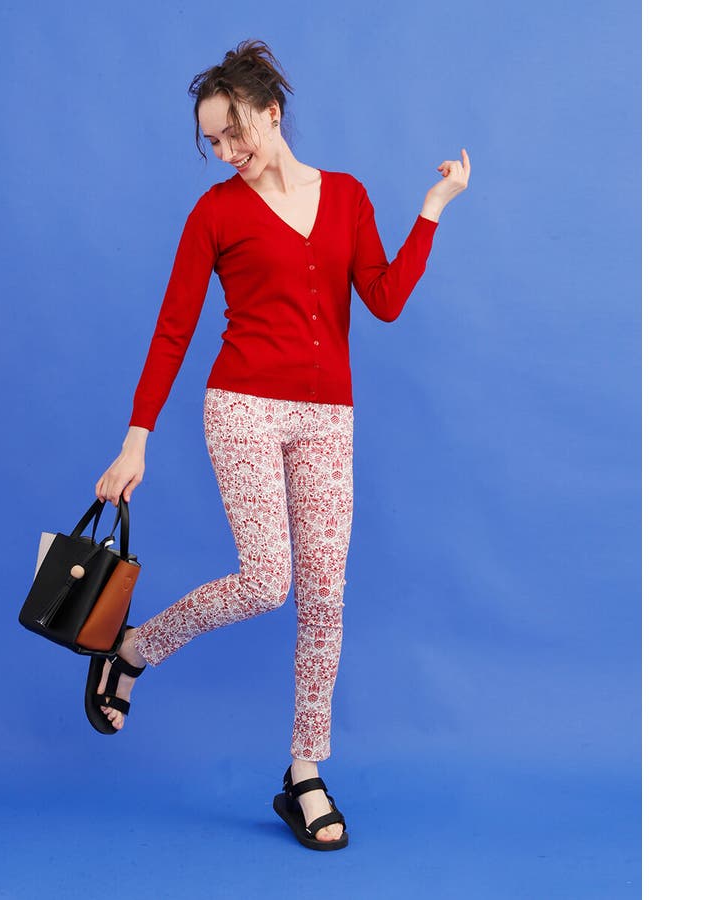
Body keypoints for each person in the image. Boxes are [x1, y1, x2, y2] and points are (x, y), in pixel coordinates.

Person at [88, 38, 470, 851]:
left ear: (271, 113)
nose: (225, 152)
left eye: (234, 133)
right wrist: (136, 440)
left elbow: (384, 299)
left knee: (326, 597)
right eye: (212, 141)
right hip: (243, 408)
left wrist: (433, 208)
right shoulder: (215, 213)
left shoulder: (349, 196)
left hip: (328, 417)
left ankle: (304, 773)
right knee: (268, 582)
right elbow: (173, 329)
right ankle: (135, 649)